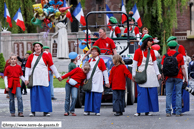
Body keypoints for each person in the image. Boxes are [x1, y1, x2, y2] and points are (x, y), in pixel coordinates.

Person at [25, 42, 61, 117]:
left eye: (38, 46)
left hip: (44, 78)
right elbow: (27, 68)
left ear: (41, 47)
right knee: (34, 96)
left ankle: (46, 111)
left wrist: (57, 75)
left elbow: (52, 66)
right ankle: (33, 111)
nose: (37, 48)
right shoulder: (31, 56)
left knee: (45, 95)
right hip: (34, 79)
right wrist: (26, 79)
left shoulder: (46, 55)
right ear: (34, 48)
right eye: (35, 46)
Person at [132, 34, 161, 116]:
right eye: (150, 41)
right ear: (145, 42)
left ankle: (147, 111)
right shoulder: (138, 51)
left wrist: (158, 73)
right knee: (141, 93)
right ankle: (139, 111)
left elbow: (155, 64)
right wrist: (133, 74)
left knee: (150, 93)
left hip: (151, 73)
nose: (151, 43)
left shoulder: (152, 51)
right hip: (142, 73)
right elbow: (135, 64)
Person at [161, 41, 187, 117]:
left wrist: (163, 79)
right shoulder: (180, 56)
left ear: (169, 47)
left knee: (169, 94)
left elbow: (162, 68)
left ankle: (168, 112)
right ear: (176, 47)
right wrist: (185, 78)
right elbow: (182, 68)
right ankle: (178, 112)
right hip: (178, 77)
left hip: (168, 77)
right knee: (178, 94)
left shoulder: (165, 56)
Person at [166, 36, 190, 114]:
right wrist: (185, 78)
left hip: (170, 75)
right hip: (179, 74)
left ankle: (170, 110)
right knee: (179, 93)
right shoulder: (181, 47)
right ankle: (179, 110)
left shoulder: (168, 51)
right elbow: (183, 63)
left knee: (171, 93)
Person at [84, 46, 109, 116]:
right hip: (90, 82)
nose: (93, 53)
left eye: (95, 51)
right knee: (89, 96)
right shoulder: (89, 60)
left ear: (98, 53)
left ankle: (96, 110)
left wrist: (107, 82)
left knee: (97, 96)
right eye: (92, 51)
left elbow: (104, 71)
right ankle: (87, 110)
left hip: (98, 82)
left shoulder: (101, 61)